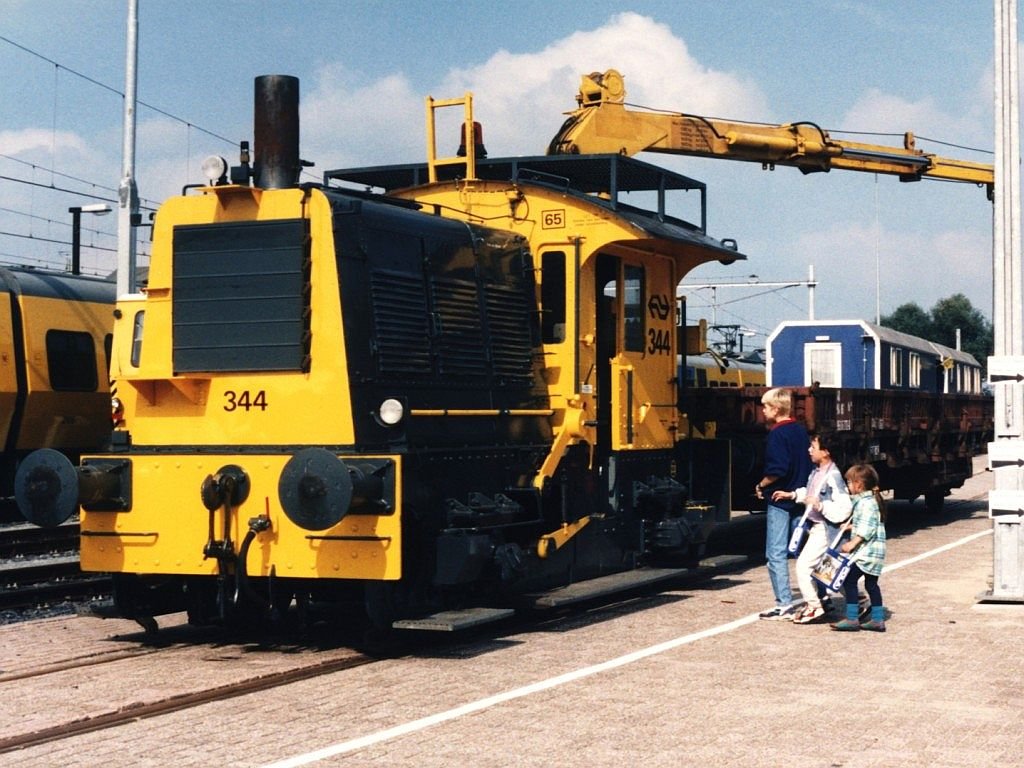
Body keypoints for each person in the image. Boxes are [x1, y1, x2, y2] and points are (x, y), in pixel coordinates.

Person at [772, 432, 852, 624]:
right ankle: (859, 599)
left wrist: (821, 506)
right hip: (816, 527)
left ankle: (814, 606)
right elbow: (811, 493)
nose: (809, 450)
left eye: (813, 447)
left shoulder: (833, 476)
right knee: (826, 569)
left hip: (825, 529)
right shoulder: (817, 471)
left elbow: (844, 507)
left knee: (804, 566)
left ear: (825, 452)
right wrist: (792, 495)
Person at [754, 388, 812, 620]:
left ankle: (784, 604)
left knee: (775, 553)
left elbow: (778, 469)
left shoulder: (777, 434)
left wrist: (761, 485)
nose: (763, 410)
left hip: (780, 499)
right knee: (805, 551)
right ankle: (821, 596)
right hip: (800, 497)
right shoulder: (800, 430)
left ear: (776, 409)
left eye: (766, 406)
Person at [831, 463, 887, 632]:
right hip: (876, 553)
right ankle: (877, 619)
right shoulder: (869, 501)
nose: (848, 486)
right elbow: (868, 523)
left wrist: (852, 543)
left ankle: (852, 618)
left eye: (849, 482)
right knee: (871, 585)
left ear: (859, 484)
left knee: (849, 579)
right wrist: (850, 526)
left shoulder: (865, 503)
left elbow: (866, 529)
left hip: (866, 552)